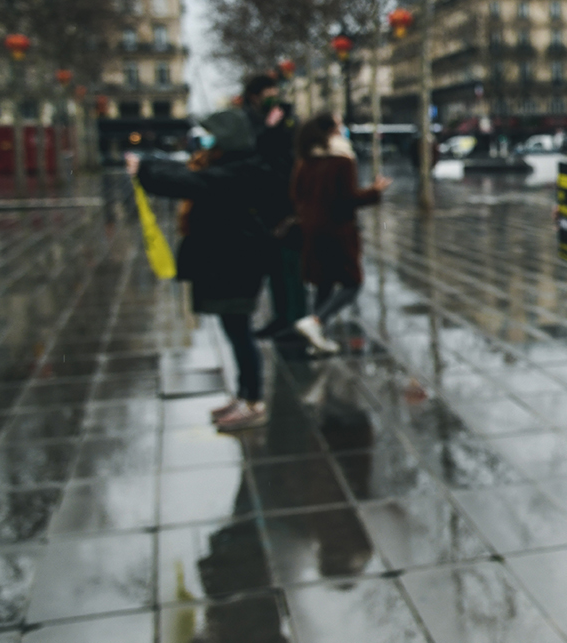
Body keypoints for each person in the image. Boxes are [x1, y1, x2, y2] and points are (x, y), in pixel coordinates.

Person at [130, 111, 273, 431]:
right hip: (228, 261)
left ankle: (254, 402)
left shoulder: (244, 170)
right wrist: (148, 168)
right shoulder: (225, 165)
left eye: (212, 136)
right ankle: (244, 395)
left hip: (239, 262)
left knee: (240, 333)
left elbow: (192, 183)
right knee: (234, 331)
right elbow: (189, 174)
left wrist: (144, 169)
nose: (206, 142)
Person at [288, 114, 390, 356]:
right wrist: (374, 191)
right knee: (352, 283)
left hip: (312, 229)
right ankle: (316, 322)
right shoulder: (343, 160)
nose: (342, 128)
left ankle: (317, 338)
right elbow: (347, 200)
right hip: (338, 230)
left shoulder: (306, 159)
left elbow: (296, 195)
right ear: (331, 131)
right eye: (339, 125)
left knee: (323, 283)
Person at [238, 74, 306, 342]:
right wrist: (268, 128)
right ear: (254, 96)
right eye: (268, 92)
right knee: (273, 267)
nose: (273, 97)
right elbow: (252, 150)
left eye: (276, 91)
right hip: (261, 203)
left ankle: (296, 319)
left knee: (291, 265)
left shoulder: (289, 120)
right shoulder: (248, 120)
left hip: (287, 203)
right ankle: (281, 317)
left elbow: (294, 154)